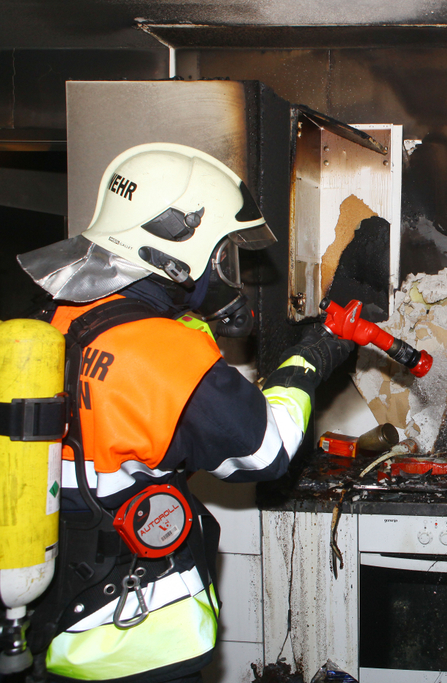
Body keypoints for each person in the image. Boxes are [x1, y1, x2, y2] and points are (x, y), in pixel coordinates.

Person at [14, 142, 353, 683]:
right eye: (221, 255)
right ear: (176, 251)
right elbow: (266, 451)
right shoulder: (159, 351)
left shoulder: (50, 322)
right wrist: (311, 360)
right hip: (133, 639)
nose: (224, 274)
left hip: (50, 629)